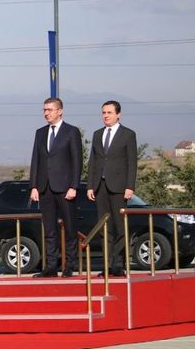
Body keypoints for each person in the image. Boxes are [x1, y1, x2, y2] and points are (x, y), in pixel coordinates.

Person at [29, 97, 82, 278]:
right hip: (45, 187)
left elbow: (77, 161)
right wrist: (34, 186)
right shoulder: (40, 133)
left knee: (69, 228)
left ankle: (69, 265)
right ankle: (51, 266)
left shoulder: (71, 132)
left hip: (65, 187)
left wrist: (74, 185)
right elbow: (36, 160)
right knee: (49, 229)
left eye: (50, 110)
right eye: (44, 110)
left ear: (60, 111)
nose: (46, 113)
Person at [87, 100, 138, 277]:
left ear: (118, 114)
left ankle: (118, 264)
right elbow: (93, 161)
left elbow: (132, 162)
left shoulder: (128, 134)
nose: (105, 116)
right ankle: (107, 265)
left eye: (109, 112)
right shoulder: (97, 134)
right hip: (100, 187)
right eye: (103, 112)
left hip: (119, 187)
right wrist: (90, 185)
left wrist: (130, 186)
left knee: (119, 227)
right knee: (104, 228)